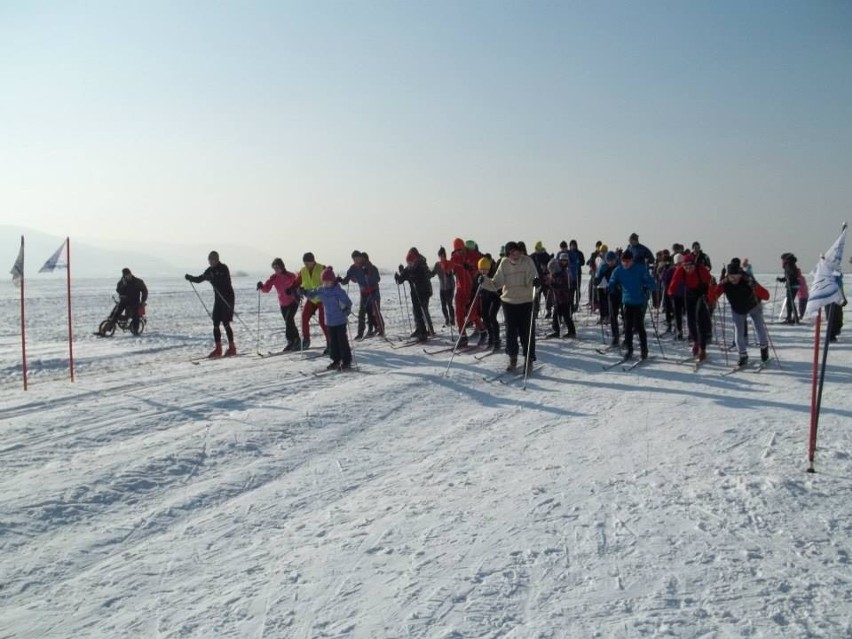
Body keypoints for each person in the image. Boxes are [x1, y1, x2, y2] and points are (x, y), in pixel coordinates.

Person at [488, 241, 539, 372]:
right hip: (509, 302)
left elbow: (533, 280)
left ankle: (529, 360)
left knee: (526, 332)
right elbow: (496, 283)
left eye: (517, 251)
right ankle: (513, 358)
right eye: (511, 253)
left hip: (525, 301)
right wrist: (483, 281)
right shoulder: (504, 263)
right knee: (510, 332)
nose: (515, 255)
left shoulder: (527, 261)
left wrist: (535, 282)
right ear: (508, 254)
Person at [708, 261, 770, 366]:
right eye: (731, 276)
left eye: (736, 276)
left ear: (740, 274)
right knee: (738, 333)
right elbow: (712, 298)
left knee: (759, 327)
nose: (734, 279)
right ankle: (743, 356)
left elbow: (766, 296)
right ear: (728, 275)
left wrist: (755, 286)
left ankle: (764, 350)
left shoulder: (748, 280)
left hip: (753, 306)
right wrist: (711, 287)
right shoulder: (724, 283)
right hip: (738, 309)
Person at [185, 251, 236, 357]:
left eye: (213, 260)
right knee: (216, 323)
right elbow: (200, 278)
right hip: (218, 299)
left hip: (227, 298)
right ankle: (218, 348)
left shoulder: (223, 268)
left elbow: (223, 279)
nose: (211, 262)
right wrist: (191, 278)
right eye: (210, 260)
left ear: (217, 259)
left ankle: (232, 347)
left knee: (226, 322)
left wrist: (213, 277)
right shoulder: (210, 270)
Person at [608, 249, 655, 359]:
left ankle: (644, 350)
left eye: (628, 261)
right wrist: (611, 287)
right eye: (624, 261)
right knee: (628, 327)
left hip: (639, 301)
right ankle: (629, 349)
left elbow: (651, 283)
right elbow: (612, 281)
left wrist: (646, 286)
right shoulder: (618, 270)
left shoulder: (640, 269)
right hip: (627, 302)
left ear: (632, 261)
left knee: (639, 326)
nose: (626, 264)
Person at [303, 266, 353, 370]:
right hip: (329, 321)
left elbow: (348, 302)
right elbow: (312, 294)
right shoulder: (322, 290)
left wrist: (346, 309)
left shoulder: (338, 291)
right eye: (324, 282)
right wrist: (304, 292)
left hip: (340, 320)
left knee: (342, 341)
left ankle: (346, 361)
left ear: (333, 281)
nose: (326, 284)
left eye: (328, 281)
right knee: (333, 342)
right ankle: (336, 360)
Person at [667, 253, 714, 360]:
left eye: (690, 266)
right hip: (689, 293)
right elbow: (674, 282)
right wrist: (670, 292)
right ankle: (696, 342)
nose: (688, 268)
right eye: (686, 266)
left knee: (700, 320)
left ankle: (703, 349)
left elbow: (711, 283)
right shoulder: (680, 269)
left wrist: (711, 298)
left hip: (701, 293)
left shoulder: (701, 269)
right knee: (690, 320)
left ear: (694, 264)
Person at [257, 258, 300, 351]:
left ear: (282, 266)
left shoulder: (290, 275)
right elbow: (266, 289)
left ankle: (292, 341)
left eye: (277, 267)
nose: (276, 269)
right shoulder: (274, 277)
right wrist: (261, 286)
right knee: (289, 322)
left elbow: (298, 284)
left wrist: (293, 290)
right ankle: (295, 340)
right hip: (283, 303)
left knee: (289, 320)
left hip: (293, 301)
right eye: (274, 268)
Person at [339, 250, 383, 340]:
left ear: (361, 258)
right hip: (364, 292)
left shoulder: (369, 266)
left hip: (374, 291)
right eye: (354, 259)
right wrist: (340, 280)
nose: (356, 261)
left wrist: (368, 275)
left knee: (375, 310)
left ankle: (380, 329)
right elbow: (346, 280)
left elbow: (377, 278)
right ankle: (360, 333)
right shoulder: (353, 268)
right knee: (362, 311)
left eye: (357, 259)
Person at [395, 247, 434, 341]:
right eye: (408, 263)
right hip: (415, 294)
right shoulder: (408, 269)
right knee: (416, 312)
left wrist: (414, 278)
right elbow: (401, 279)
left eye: (411, 262)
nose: (410, 264)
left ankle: (426, 331)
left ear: (415, 260)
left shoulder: (421, 266)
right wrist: (398, 277)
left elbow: (425, 278)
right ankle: (420, 330)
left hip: (424, 292)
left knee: (421, 311)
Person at [293, 252, 329, 350]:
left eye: (308, 263)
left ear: (313, 261)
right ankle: (306, 340)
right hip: (312, 299)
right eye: (305, 263)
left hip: (322, 299)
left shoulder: (321, 268)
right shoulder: (303, 270)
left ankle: (330, 342)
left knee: (323, 321)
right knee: (304, 317)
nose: (307, 265)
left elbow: (329, 280)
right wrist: (292, 288)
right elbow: (297, 281)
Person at [546, 252, 577, 338]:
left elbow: (562, 287)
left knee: (566, 316)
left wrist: (553, 285)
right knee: (556, 316)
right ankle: (556, 331)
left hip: (564, 299)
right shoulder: (555, 274)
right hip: (558, 300)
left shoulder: (564, 273)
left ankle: (572, 331)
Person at [474, 256, 502, 351]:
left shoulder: (492, 276)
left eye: (486, 269)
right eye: (482, 269)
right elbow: (474, 289)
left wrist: (486, 281)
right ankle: (491, 337)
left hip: (495, 299)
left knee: (492, 317)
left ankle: (497, 340)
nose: (484, 271)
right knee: (485, 317)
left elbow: (495, 287)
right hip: (484, 299)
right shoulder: (478, 277)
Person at [115, 267, 148, 334]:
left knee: (135, 315)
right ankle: (108, 327)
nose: (128, 276)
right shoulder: (122, 282)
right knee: (116, 313)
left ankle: (135, 330)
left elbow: (144, 291)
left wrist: (143, 300)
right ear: (124, 276)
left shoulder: (138, 281)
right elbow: (119, 291)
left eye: (129, 274)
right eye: (126, 275)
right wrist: (123, 286)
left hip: (134, 301)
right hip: (124, 301)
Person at [431, 246, 456, 327]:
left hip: (450, 286)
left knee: (449, 303)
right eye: (440, 256)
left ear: (445, 256)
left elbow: (451, 273)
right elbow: (432, 273)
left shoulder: (449, 263)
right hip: (442, 287)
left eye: (443, 256)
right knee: (443, 304)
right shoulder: (437, 265)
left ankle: (452, 319)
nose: (441, 258)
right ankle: (447, 319)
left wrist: (447, 272)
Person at [777, 253, 801, 324]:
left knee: (789, 302)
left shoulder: (788, 265)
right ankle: (793, 318)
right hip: (794, 284)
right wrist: (782, 279)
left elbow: (791, 275)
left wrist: (789, 279)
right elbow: (789, 275)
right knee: (790, 302)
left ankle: (790, 318)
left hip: (792, 286)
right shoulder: (792, 264)